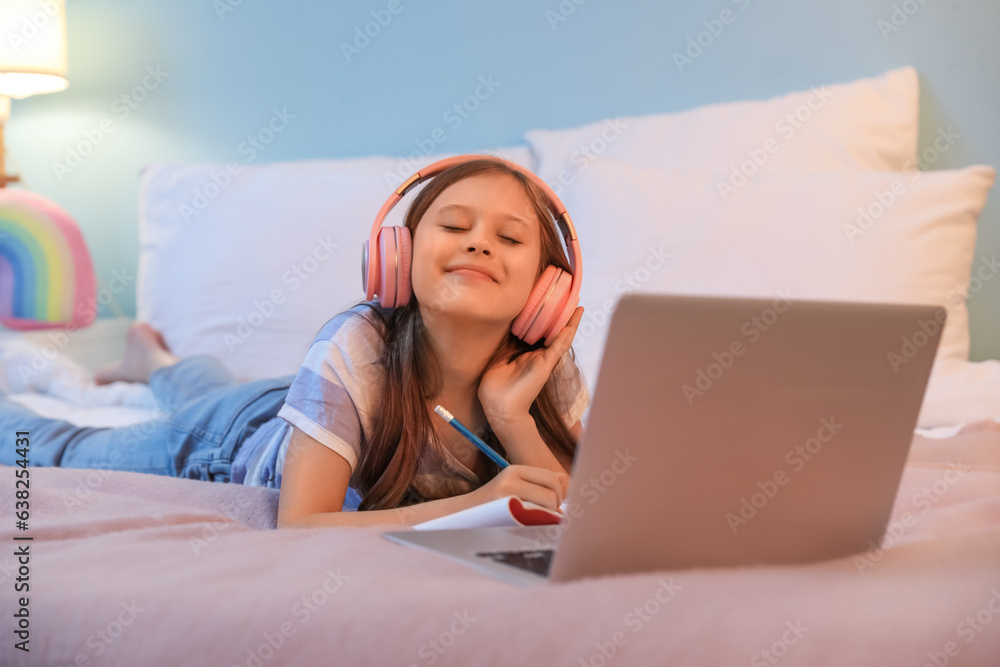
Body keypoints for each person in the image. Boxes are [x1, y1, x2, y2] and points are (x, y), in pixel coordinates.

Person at [0, 156, 590, 529]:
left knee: (214, 389)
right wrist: (474, 505)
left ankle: (154, 360)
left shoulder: (541, 369)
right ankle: (154, 365)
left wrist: (513, 417)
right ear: (398, 259)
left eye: (509, 238)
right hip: (235, 438)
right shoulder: (357, 345)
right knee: (64, 448)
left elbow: (570, 511)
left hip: (304, 404)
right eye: (456, 227)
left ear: (548, 289)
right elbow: (304, 524)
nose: (480, 244)